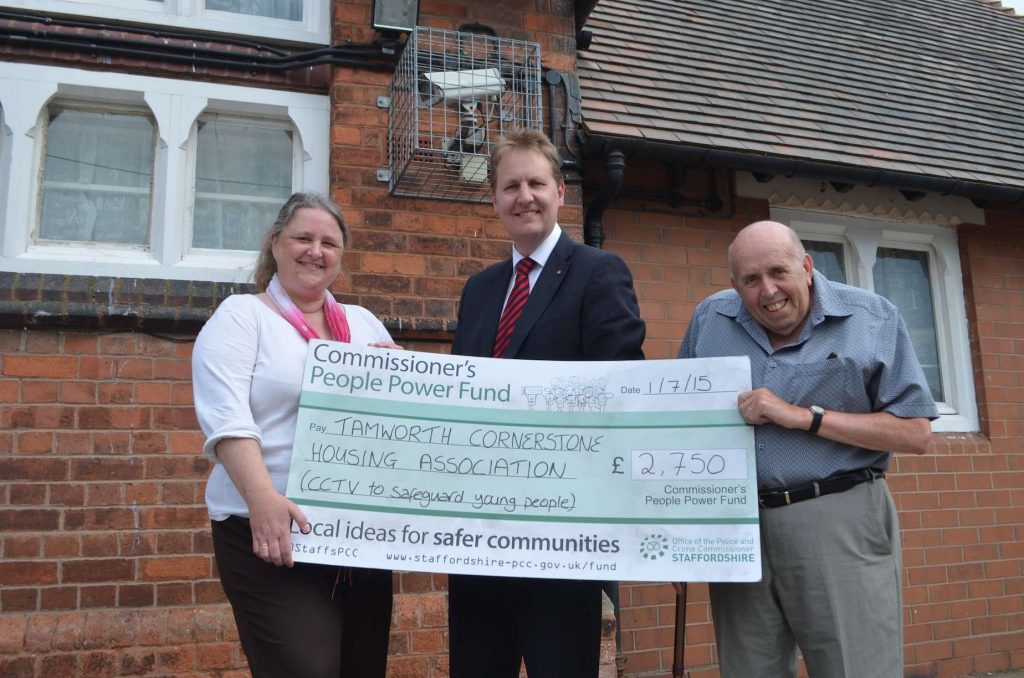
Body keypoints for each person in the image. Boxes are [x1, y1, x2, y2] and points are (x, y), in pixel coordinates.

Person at [677, 220, 938, 677]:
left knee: (856, 668)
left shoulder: (872, 319)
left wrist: (806, 417)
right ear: (734, 284)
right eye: (751, 280)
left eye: (779, 272)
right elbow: (680, 423)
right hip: (739, 531)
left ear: (808, 266)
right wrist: (681, 538)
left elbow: (915, 432)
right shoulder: (711, 319)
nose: (768, 291)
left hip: (837, 516)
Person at [448, 127, 646, 677]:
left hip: (561, 533)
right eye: (510, 186)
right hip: (479, 536)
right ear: (494, 200)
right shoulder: (480, 289)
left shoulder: (598, 273)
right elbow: (463, 391)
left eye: (536, 182)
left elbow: (621, 387)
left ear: (561, 192)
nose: (524, 196)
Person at [192, 192, 398, 678]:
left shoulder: (364, 323)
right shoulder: (243, 317)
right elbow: (227, 418)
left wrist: (406, 381)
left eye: (329, 242)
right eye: (303, 238)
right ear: (276, 244)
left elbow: (391, 424)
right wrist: (262, 498)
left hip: (355, 535)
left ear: (341, 257)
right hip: (269, 532)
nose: (315, 251)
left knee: (361, 669)